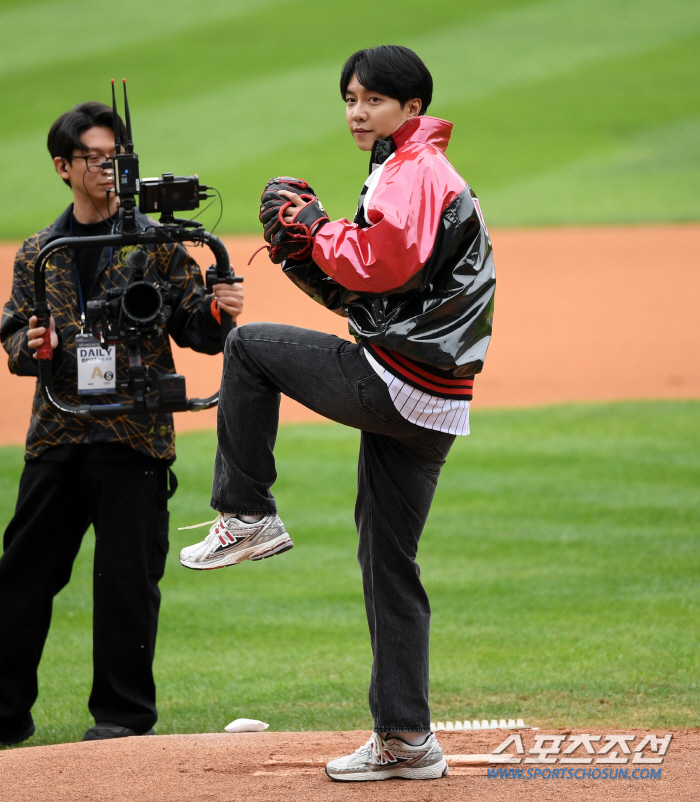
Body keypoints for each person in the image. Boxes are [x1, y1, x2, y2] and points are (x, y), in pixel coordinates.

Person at [180, 45, 495, 781]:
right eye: (350, 98)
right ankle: (407, 740)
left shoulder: (416, 171)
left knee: (249, 349)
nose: (358, 111)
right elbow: (374, 294)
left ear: (411, 108)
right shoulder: (404, 166)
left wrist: (316, 226)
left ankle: (248, 513)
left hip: (399, 382)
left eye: (373, 100)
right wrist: (303, 255)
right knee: (390, 564)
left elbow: (379, 264)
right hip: (434, 400)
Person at [0, 101, 244, 745]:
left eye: (116, 158)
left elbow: (199, 331)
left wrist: (221, 311)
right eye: (94, 159)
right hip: (57, 437)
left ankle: (123, 718)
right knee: (21, 579)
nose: (109, 169)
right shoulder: (40, 252)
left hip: (134, 435)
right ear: (63, 167)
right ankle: (2, 714)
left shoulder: (155, 245)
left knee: (126, 585)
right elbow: (14, 341)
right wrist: (34, 346)